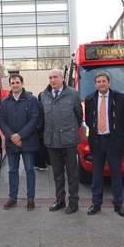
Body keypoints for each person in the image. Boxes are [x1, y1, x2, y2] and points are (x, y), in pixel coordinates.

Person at [84, 72, 124, 217]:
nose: (101, 84)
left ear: (109, 82)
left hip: (114, 142)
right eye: (98, 82)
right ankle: (96, 204)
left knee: (116, 174)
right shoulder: (90, 99)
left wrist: (116, 131)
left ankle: (118, 205)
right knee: (97, 175)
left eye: (103, 81)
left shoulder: (121, 98)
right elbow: (88, 121)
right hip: (97, 142)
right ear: (95, 84)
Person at [40, 68, 83, 214]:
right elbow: (42, 118)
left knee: (72, 174)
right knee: (57, 174)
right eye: (50, 77)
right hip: (52, 141)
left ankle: (74, 202)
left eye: (55, 77)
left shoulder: (73, 94)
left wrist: (69, 131)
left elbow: (79, 116)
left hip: (69, 141)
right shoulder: (43, 95)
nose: (52, 80)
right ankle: (59, 200)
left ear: (62, 78)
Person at [0, 74, 40, 210]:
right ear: (10, 85)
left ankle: (30, 198)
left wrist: (20, 135)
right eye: (12, 83)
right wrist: (12, 136)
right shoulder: (4, 102)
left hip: (28, 141)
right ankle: (12, 198)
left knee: (29, 170)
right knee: (12, 171)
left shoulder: (32, 100)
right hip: (12, 143)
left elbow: (34, 120)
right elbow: (2, 121)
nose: (15, 85)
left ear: (22, 83)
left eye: (17, 82)